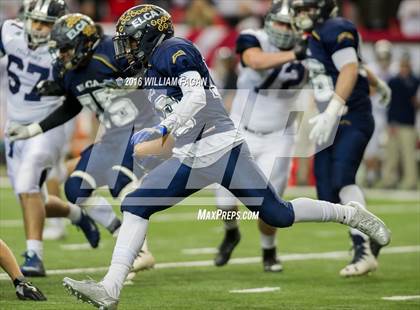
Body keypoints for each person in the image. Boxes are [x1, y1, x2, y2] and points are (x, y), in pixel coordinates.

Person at [60, 5, 390, 309]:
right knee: (135, 204)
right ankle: (110, 288)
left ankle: (349, 215)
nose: (127, 49)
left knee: (278, 215)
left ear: (148, 35)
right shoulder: (150, 68)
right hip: (190, 155)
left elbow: (195, 98)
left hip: (220, 148)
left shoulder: (174, 49)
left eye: (131, 41)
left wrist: (162, 128)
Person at [7, 13, 169, 275]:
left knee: (121, 181)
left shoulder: (111, 52)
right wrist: (32, 129)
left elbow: (154, 70)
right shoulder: (69, 70)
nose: (61, 55)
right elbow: (72, 104)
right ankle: (120, 232)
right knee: (75, 188)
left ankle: (141, 250)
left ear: (83, 42)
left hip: (142, 129)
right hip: (112, 135)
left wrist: (133, 81)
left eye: (65, 48)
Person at [290, 0, 391, 277]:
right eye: (298, 10)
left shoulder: (335, 27)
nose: (301, 15)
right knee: (328, 194)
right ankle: (369, 233)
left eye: (306, 9)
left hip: (350, 115)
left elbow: (348, 68)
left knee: (343, 179)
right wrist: (377, 82)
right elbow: (355, 64)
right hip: (329, 120)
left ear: (323, 7)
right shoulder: (312, 36)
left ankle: (363, 250)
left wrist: (333, 109)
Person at [1, 0, 99, 277]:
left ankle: (34, 255)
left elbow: (74, 101)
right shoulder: (10, 32)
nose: (39, 28)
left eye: (46, 24)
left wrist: (36, 129)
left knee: (26, 182)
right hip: (14, 127)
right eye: (35, 21)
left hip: (48, 127)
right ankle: (77, 215)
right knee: (34, 198)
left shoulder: (63, 51)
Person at [214, 0, 307, 272]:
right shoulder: (254, 37)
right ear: (268, 22)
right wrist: (295, 54)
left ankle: (269, 251)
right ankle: (232, 232)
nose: (281, 29)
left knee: (270, 205)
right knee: (225, 202)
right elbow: (253, 60)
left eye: (287, 24)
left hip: (279, 135)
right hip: (241, 131)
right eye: (278, 22)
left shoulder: (309, 51)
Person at [380, 54, 419, 190]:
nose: (404, 68)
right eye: (402, 65)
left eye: (406, 65)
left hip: (409, 123)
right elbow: (390, 105)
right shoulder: (394, 81)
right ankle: (389, 180)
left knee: (408, 155)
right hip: (395, 123)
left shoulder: (415, 81)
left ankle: (410, 181)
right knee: (391, 154)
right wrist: (390, 122)